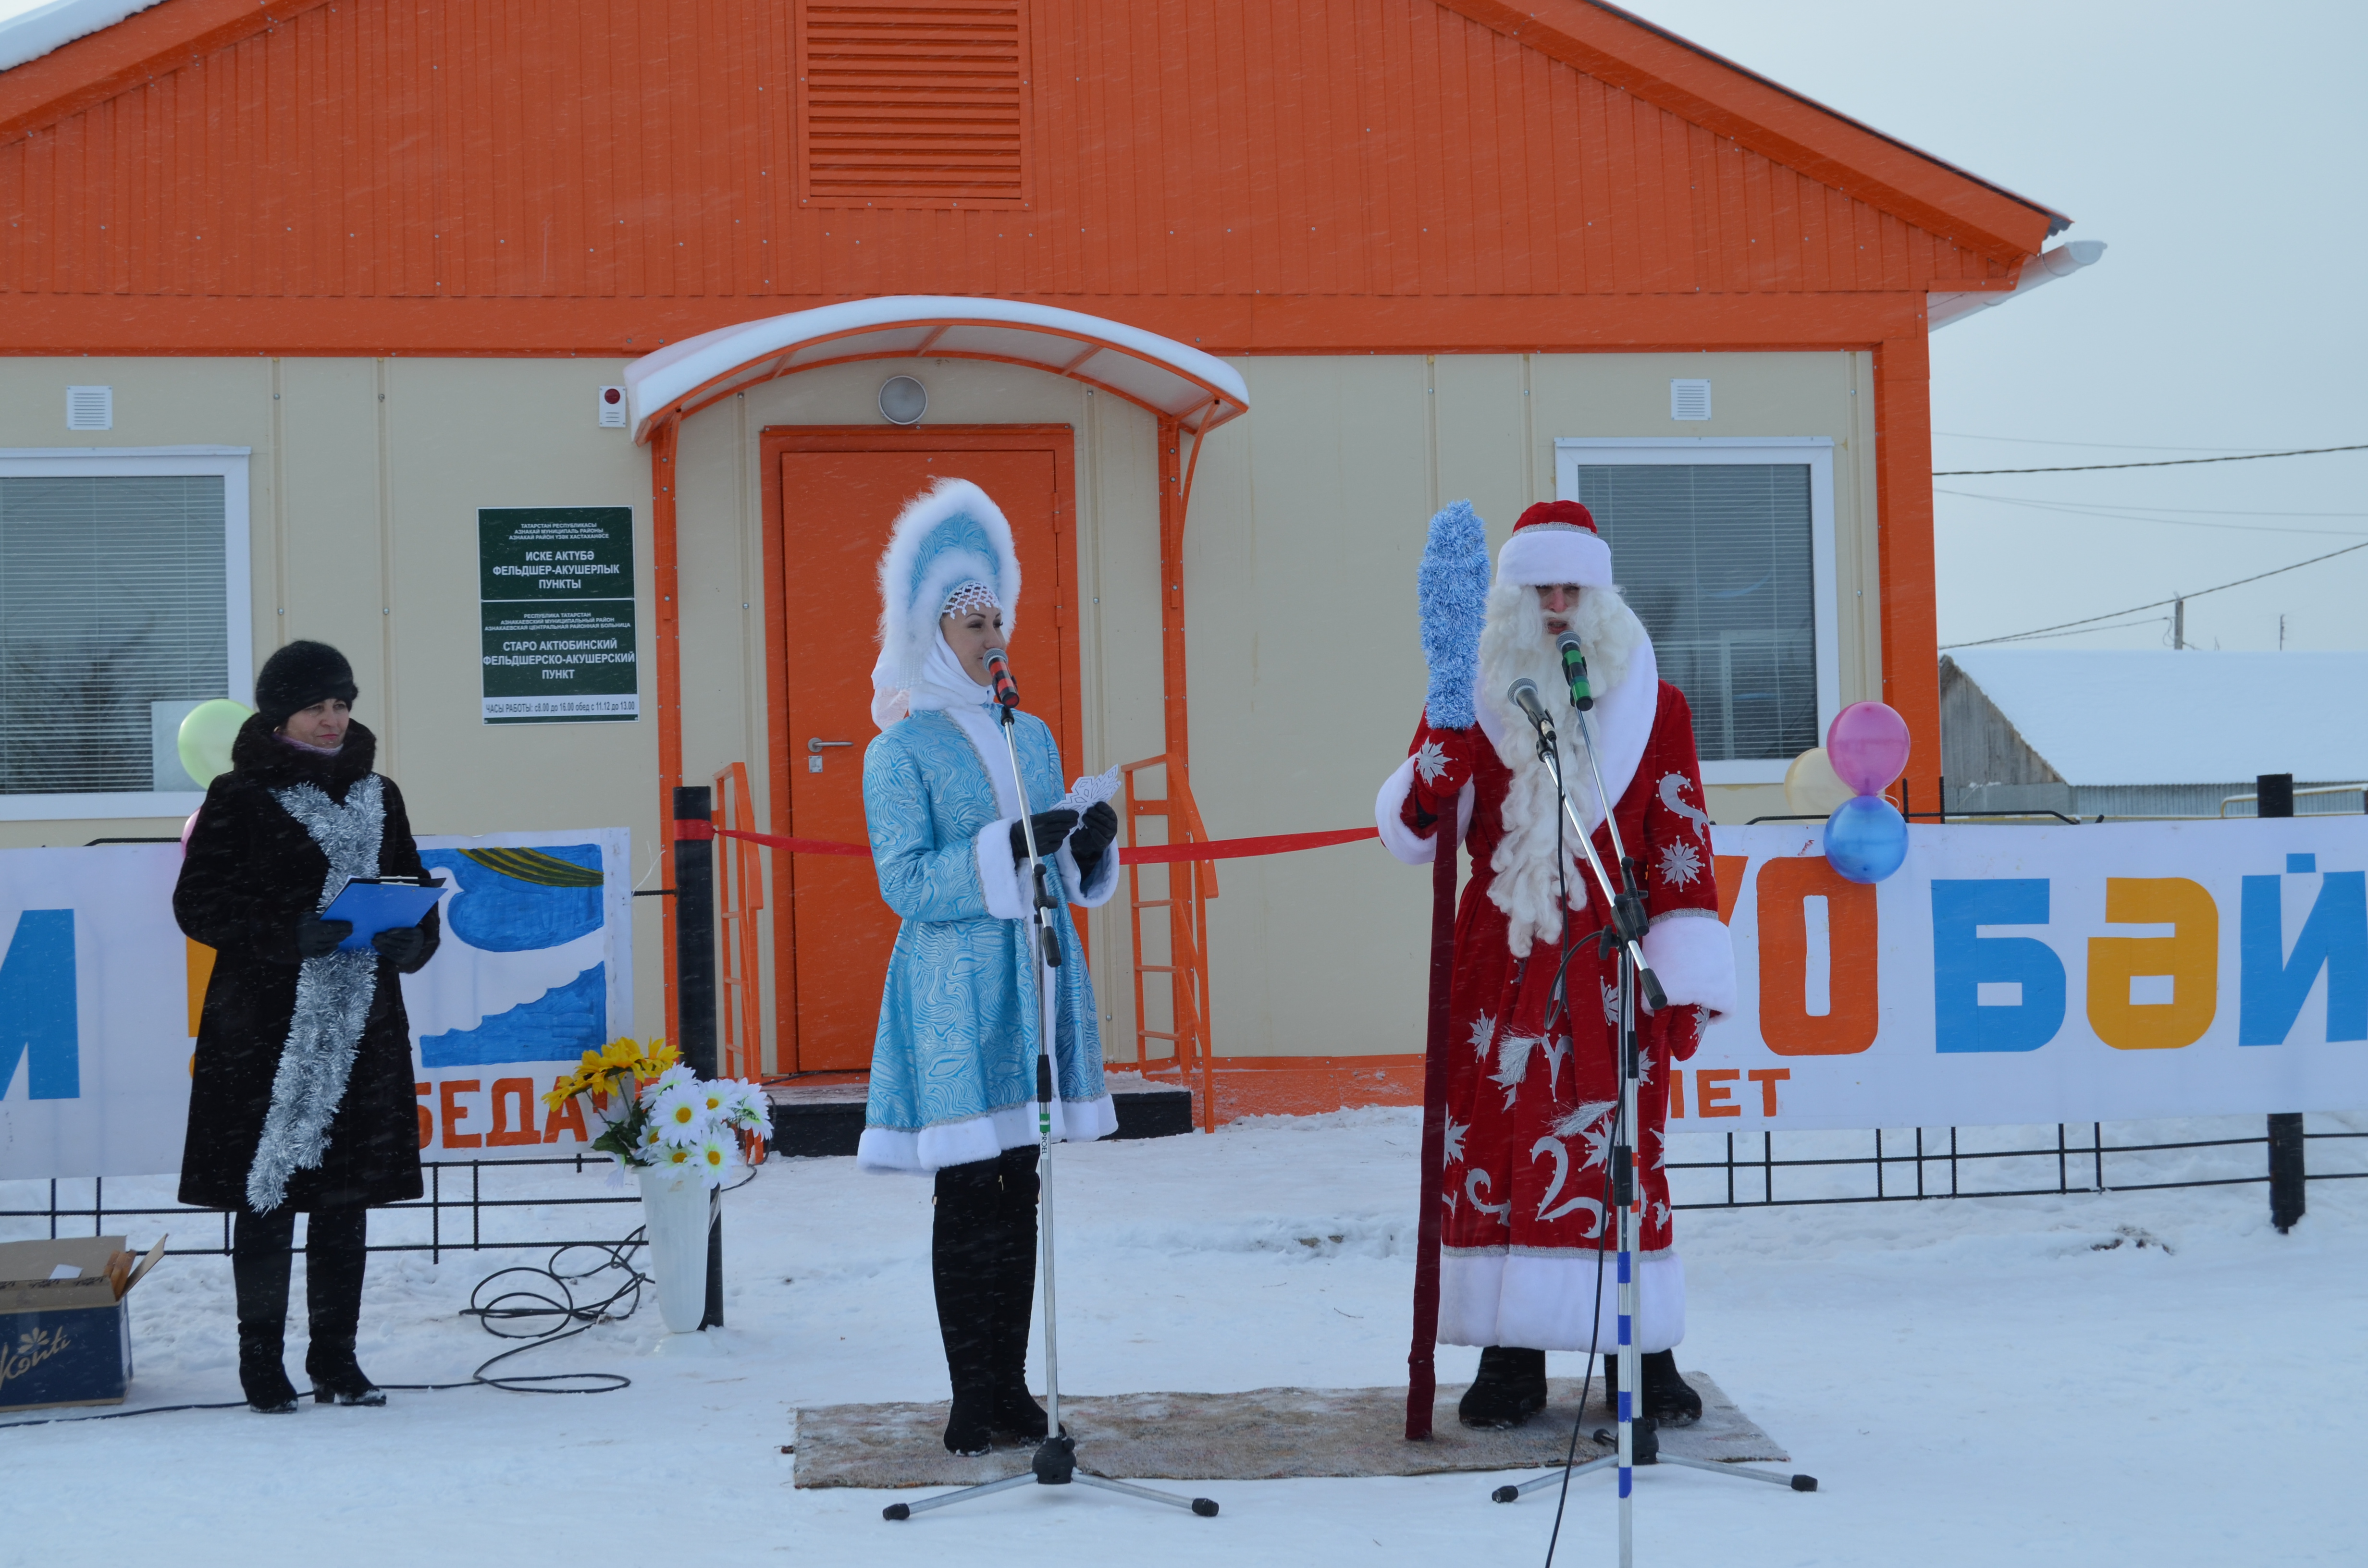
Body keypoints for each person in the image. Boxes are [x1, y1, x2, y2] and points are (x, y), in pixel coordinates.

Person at [1376, 501, 1736, 1429]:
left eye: (1574, 585)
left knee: (1624, 1155)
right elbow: (1420, 830)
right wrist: (1442, 756)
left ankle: (1645, 1351)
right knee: (1501, 1149)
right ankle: (1511, 1356)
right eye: (1542, 587)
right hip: (1501, 962)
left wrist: (1683, 970)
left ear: (1600, 593)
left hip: (1614, 957)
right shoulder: (1470, 692)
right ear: (1513, 595)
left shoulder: (1658, 703)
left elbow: (1681, 835)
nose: (1559, 603)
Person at [854, 478, 1122, 1456]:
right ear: (931, 631)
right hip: (955, 988)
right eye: (970, 621)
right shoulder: (900, 751)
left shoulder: (1032, 732)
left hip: (1033, 978)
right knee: (971, 1189)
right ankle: (971, 1395)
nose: (989, 635)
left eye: (996, 617)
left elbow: (1049, 864)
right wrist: (1005, 846)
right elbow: (909, 883)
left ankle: (1012, 1386)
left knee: (1023, 1183)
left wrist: (1084, 842)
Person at [175, 640, 440, 1413]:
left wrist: (411, 937)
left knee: (343, 1199)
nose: (335, 720)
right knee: (268, 1197)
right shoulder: (238, 794)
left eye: (344, 704)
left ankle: (337, 1359)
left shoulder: (380, 794)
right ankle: (261, 1360)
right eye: (318, 706)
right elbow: (199, 905)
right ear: (280, 713)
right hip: (263, 1025)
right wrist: (284, 932)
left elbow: (414, 885)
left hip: (360, 1024)